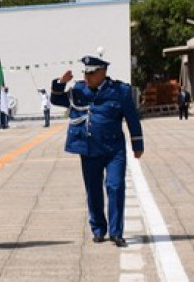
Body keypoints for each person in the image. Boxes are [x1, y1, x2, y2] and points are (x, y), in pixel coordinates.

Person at [51, 55, 143, 247]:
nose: (87, 76)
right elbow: (56, 100)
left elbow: (132, 119)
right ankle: (99, 229)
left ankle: (116, 232)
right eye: (85, 72)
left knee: (115, 186)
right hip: (89, 149)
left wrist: (137, 145)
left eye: (91, 73)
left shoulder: (119, 91)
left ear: (103, 72)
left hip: (113, 149)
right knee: (93, 190)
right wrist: (61, 82)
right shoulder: (78, 90)